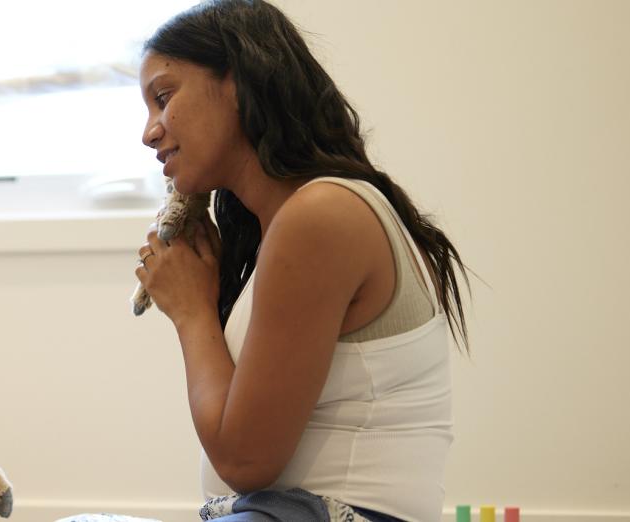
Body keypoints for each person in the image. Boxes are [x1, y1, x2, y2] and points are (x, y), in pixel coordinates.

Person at [132, 1, 470, 521]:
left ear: (238, 84)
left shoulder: (321, 214)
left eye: (163, 97)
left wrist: (191, 310)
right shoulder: (300, 218)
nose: (149, 131)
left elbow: (245, 459)